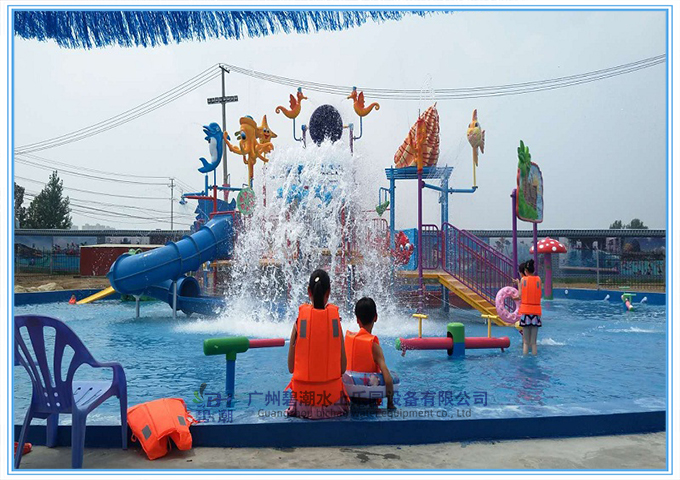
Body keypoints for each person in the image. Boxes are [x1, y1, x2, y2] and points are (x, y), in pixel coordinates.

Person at [286, 269, 349, 419]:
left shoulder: (299, 323)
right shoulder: (335, 323)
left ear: (309, 291)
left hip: (303, 403)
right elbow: (342, 368)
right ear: (329, 292)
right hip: (332, 403)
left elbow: (291, 367)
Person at [344, 297, 396, 409]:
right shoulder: (374, 346)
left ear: (357, 319)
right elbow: (388, 379)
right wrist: (390, 403)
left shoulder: (348, 340)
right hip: (369, 402)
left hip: (349, 401)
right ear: (376, 317)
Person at [514, 259, 542, 355]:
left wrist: (518, 285)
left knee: (526, 342)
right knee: (533, 342)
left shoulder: (523, 280)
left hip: (526, 312)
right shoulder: (539, 280)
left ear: (525, 271)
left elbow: (520, 295)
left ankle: (525, 359)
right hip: (536, 313)